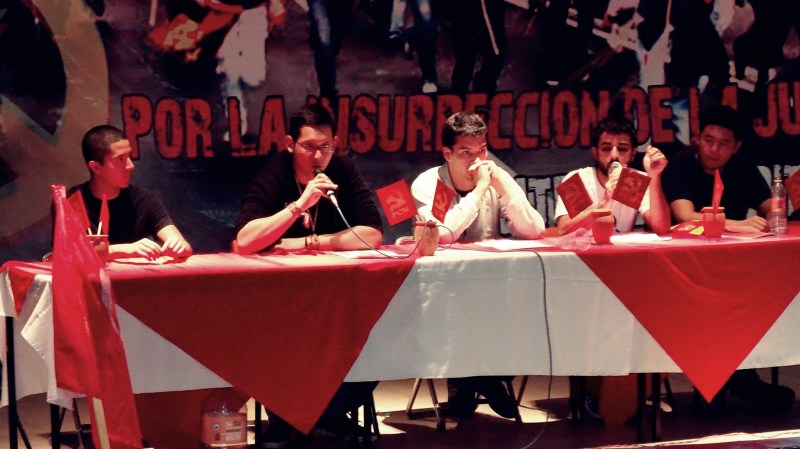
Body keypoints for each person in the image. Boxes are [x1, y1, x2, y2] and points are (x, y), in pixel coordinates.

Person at [235, 103, 382, 445]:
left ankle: (328, 414)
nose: (319, 155)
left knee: (376, 332)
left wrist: (306, 242)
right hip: (282, 303)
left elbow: (371, 234)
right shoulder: (275, 173)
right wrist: (300, 205)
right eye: (309, 147)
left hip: (336, 298)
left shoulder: (343, 169)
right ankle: (289, 416)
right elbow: (244, 241)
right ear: (290, 143)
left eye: (326, 146)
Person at [410, 111, 544, 420]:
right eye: (465, 152)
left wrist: (503, 187)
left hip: (493, 286)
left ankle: (476, 378)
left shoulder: (494, 174)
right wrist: (482, 188)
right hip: (444, 290)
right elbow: (443, 234)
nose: (475, 160)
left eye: (481, 150)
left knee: (529, 307)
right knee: (459, 307)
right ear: (447, 153)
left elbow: (534, 229)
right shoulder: (428, 183)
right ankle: (480, 379)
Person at [663, 104, 795, 413]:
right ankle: (731, 382)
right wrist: (739, 224)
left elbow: (772, 211)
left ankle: (738, 379)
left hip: (732, 267)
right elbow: (684, 217)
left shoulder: (742, 167)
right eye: (708, 139)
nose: (713, 149)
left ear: (736, 147)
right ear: (697, 138)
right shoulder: (680, 166)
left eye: (724, 143)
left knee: (758, 297)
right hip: (685, 268)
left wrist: (780, 204)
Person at [64, 125, 192, 260]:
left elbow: (183, 245)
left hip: (136, 280)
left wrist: (180, 246)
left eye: (129, 156)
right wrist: (122, 250)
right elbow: (69, 254)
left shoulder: (145, 200)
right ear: (96, 167)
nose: (131, 166)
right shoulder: (71, 202)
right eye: (121, 159)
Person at [555, 116, 671, 236]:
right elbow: (563, 230)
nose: (614, 155)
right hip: (582, 252)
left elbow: (662, 228)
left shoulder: (635, 181)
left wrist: (654, 176)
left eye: (622, 149)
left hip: (621, 252)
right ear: (595, 153)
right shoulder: (578, 179)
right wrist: (604, 203)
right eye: (606, 148)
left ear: (633, 154)